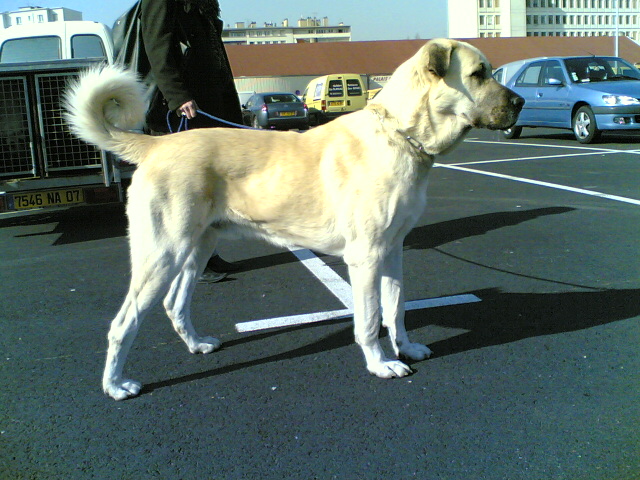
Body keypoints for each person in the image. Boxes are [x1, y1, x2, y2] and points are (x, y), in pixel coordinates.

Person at [140, 0, 242, 282]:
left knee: (207, 190)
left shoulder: (203, 3)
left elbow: (212, 53)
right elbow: (156, 47)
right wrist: (177, 96)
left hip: (209, 105)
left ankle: (207, 256)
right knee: (186, 192)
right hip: (184, 110)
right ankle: (187, 265)